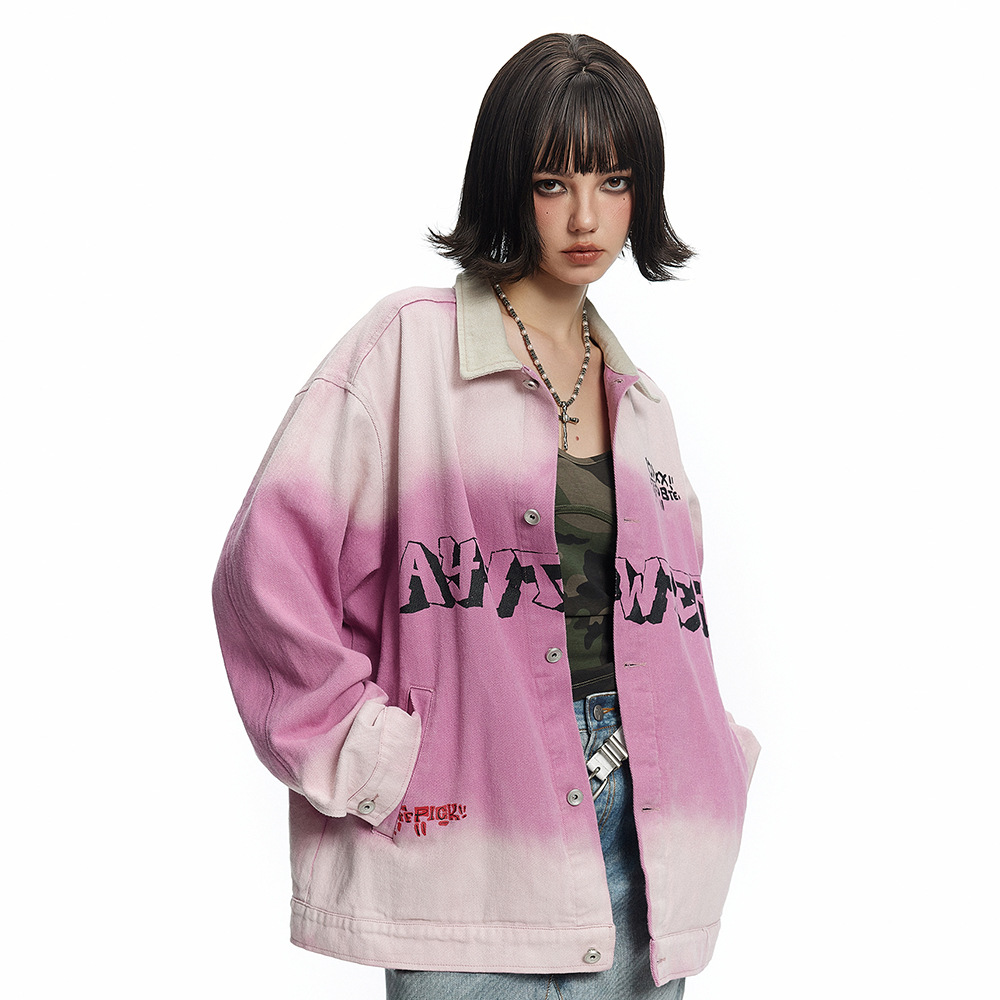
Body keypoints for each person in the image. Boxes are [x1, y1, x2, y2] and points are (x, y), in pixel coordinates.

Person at [213, 32, 759, 999]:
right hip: (469, 840)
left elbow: (673, 625)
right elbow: (266, 574)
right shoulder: (407, 351)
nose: (586, 216)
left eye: (614, 181)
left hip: (647, 855)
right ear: (507, 183)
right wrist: (366, 755)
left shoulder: (645, 408)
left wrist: (717, 757)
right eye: (553, 182)